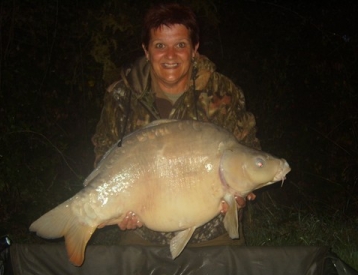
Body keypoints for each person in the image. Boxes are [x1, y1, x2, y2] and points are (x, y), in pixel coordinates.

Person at [91, 3, 260, 246]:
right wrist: (116, 208)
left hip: (214, 233)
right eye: (160, 46)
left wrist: (243, 191)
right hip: (143, 233)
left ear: (194, 49)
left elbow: (248, 151)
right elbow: (104, 153)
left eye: (180, 45)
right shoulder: (122, 98)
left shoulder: (222, 92)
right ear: (146, 50)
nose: (170, 55)